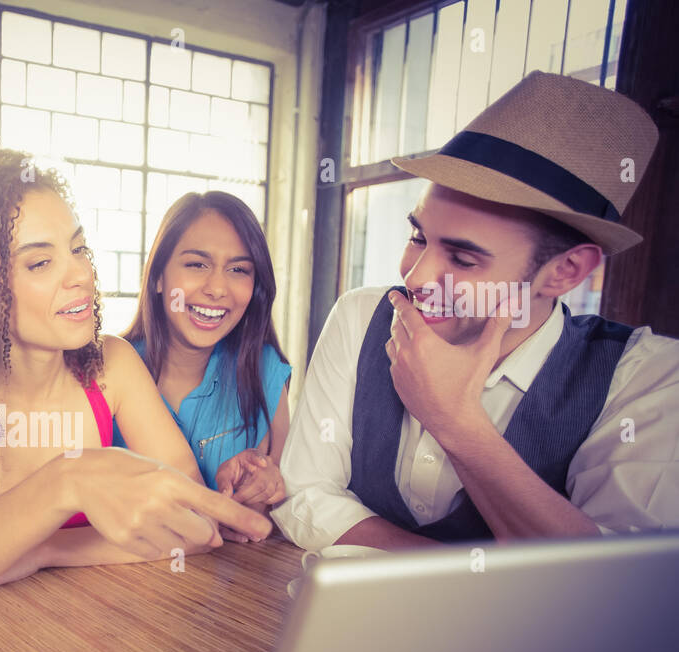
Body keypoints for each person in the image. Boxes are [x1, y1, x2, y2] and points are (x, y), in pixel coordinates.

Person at [272, 71, 679, 552]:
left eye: (463, 258)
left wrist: (454, 421)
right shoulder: (362, 316)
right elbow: (306, 494)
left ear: (566, 271)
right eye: (418, 237)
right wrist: (457, 573)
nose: (417, 277)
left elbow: (615, 588)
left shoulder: (646, 375)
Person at [0, 150, 271, 601]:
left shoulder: (112, 365)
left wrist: (43, 551)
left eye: (78, 249)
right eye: (40, 262)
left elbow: (194, 522)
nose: (80, 275)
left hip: (101, 628)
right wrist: (68, 480)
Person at [116, 191, 292, 534]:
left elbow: (278, 515)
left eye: (238, 269)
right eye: (197, 264)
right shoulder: (104, 374)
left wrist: (265, 491)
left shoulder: (266, 371)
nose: (216, 288)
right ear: (157, 277)